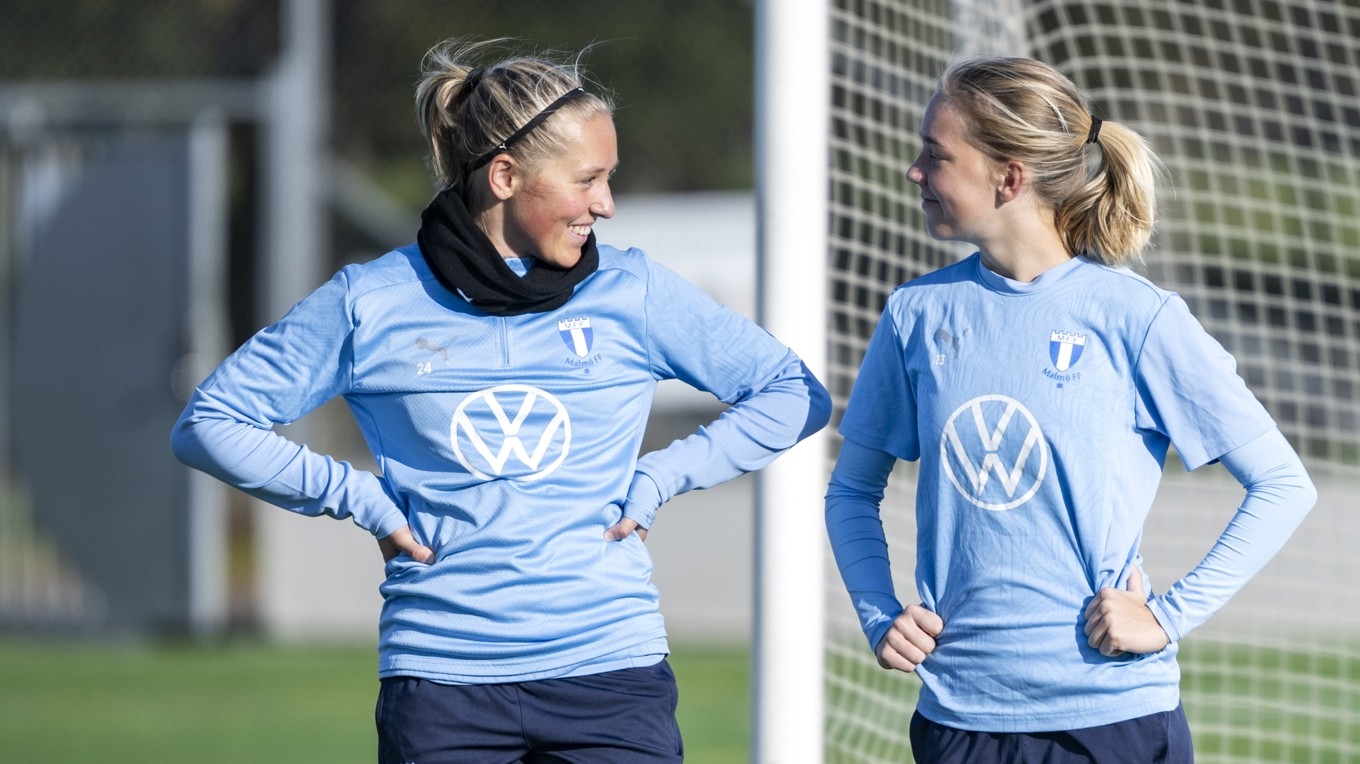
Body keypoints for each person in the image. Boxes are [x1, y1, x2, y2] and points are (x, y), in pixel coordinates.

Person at [173, 37, 829, 763]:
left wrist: (658, 477)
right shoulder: (371, 302)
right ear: (507, 174)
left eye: (609, 179)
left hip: (612, 677)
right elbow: (210, 423)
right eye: (588, 180)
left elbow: (793, 393)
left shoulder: (634, 292)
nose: (606, 205)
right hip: (441, 686)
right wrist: (361, 500)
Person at [824, 56, 1316, 763]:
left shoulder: (1135, 318)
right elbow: (850, 490)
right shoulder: (916, 314)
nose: (914, 172)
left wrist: (1166, 618)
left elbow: (1282, 484)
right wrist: (878, 614)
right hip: (958, 722)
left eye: (936, 155)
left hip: (1109, 722)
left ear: (1010, 176)